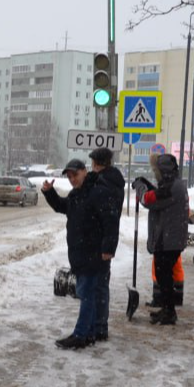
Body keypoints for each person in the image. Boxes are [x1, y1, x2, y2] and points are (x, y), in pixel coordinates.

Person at [42, 158, 118, 349]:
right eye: (69, 176)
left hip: (93, 251)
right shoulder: (77, 194)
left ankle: (81, 334)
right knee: (89, 293)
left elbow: (111, 221)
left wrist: (108, 248)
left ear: (85, 171)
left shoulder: (98, 192)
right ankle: (91, 333)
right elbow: (62, 206)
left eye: (75, 175)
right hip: (80, 252)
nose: (72, 179)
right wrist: (49, 192)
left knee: (87, 294)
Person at [132, 154, 190, 325]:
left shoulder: (172, 187)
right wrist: (147, 184)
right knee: (163, 274)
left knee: (164, 275)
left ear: (163, 170)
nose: (155, 173)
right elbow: (157, 194)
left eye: (155, 170)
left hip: (169, 240)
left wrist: (141, 188)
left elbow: (149, 200)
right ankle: (167, 308)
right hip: (169, 238)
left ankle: (170, 312)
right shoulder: (173, 184)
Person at [88, 146, 124, 341]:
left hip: (101, 243)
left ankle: (100, 328)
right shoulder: (111, 180)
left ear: (96, 164)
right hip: (101, 241)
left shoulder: (106, 184)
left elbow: (110, 219)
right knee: (100, 285)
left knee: (99, 286)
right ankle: (99, 325)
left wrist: (108, 247)